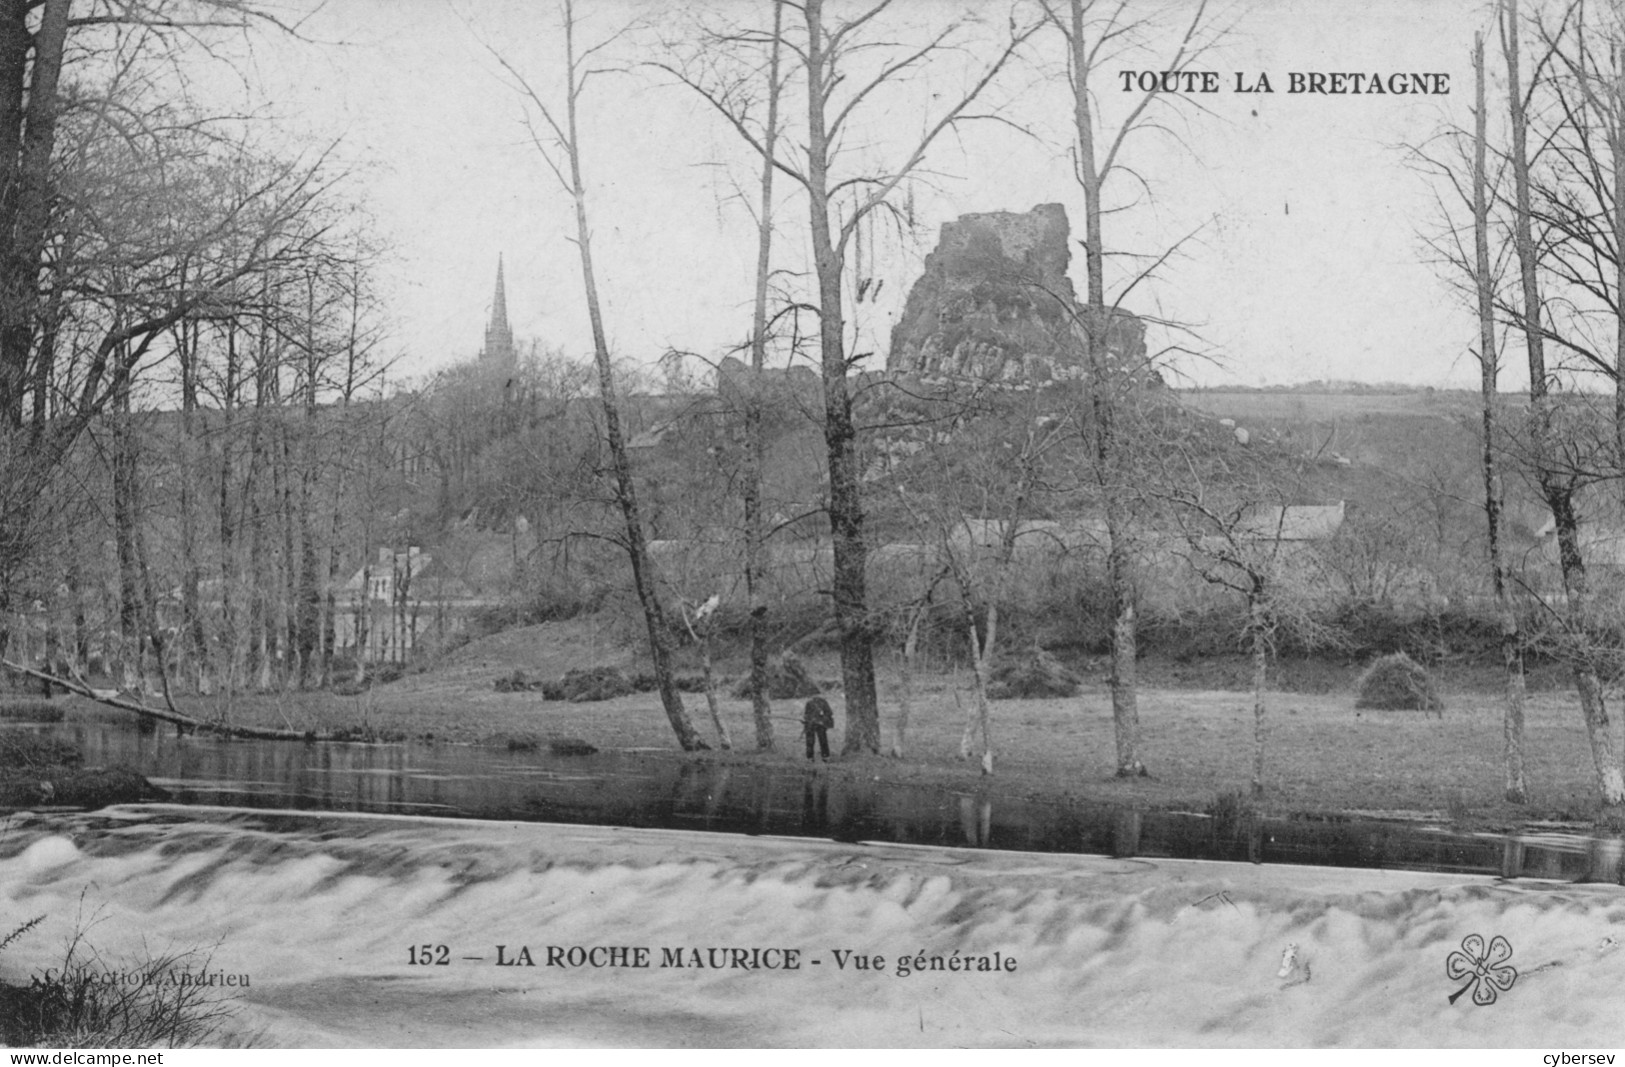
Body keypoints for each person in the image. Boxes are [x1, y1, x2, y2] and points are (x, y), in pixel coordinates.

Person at [802, 695, 835, 761]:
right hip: (810, 724)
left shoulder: (823, 702)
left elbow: (829, 713)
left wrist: (822, 719)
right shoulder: (809, 703)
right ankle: (810, 757)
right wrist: (808, 720)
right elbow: (806, 714)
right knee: (810, 741)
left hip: (821, 725)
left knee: (823, 740)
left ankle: (825, 756)